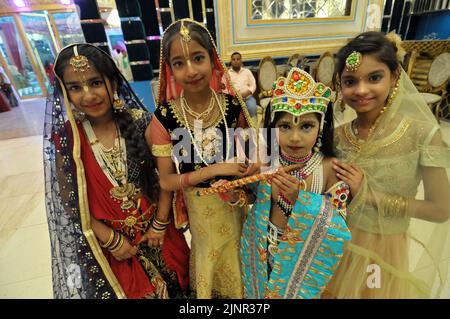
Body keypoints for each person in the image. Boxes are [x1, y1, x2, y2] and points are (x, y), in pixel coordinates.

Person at [44, 43, 190, 299]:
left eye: (95, 82)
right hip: (111, 248)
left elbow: (167, 179)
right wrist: (109, 239)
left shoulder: (143, 122)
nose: (88, 96)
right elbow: (70, 202)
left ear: (112, 82)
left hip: (160, 235)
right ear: (64, 93)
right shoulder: (67, 139)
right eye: (75, 88)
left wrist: (159, 225)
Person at [325, 32, 450, 298]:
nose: (360, 90)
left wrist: (370, 196)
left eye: (374, 78)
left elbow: (440, 209)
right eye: (350, 81)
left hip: (380, 251)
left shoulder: (421, 135)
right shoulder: (337, 136)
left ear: (395, 77)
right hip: (334, 245)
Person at [149, 18, 255, 298]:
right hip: (199, 212)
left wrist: (243, 177)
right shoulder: (164, 117)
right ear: (169, 70)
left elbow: (254, 158)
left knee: (238, 258)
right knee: (208, 263)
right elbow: (168, 182)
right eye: (179, 63)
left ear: (213, 59)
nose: (191, 70)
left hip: (234, 206)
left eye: (198, 58)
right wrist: (213, 171)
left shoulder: (233, 107)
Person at [240, 67, 357, 298]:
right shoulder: (265, 160)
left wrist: (300, 199)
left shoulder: (331, 169)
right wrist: (242, 189)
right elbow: (254, 198)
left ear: (321, 127)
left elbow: (339, 228)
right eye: (285, 126)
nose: (295, 137)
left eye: (306, 126)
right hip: (262, 249)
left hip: (301, 258)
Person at [227, 52, 258, 118]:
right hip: (233, 99)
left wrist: (247, 93)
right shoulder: (227, 74)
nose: (235, 61)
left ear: (241, 61)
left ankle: (251, 126)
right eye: (233, 59)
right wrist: (235, 95)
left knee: (252, 107)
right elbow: (225, 88)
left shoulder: (247, 71)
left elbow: (253, 85)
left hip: (247, 97)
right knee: (230, 112)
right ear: (231, 61)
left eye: (238, 59)